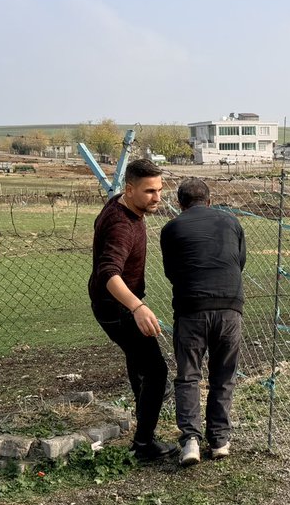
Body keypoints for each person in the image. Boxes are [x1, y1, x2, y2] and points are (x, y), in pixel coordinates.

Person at [88, 158, 176, 460]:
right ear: (130, 189)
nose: (158, 197)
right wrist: (137, 306)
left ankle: (143, 427)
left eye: (160, 189)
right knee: (156, 370)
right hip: (117, 308)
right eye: (150, 191)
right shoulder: (122, 225)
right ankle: (144, 445)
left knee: (141, 365)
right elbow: (108, 273)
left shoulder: (121, 205)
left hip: (115, 304)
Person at [160, 177, 246, 466]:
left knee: (189, 375)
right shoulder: (232, 223)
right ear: (210, 201)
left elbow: (171, 271)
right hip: (230, 308)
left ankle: (190, 442)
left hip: (191, 309)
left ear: (180, 204)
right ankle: (220, 440)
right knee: (224, 375)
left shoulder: (171, 228)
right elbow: (239, 261)